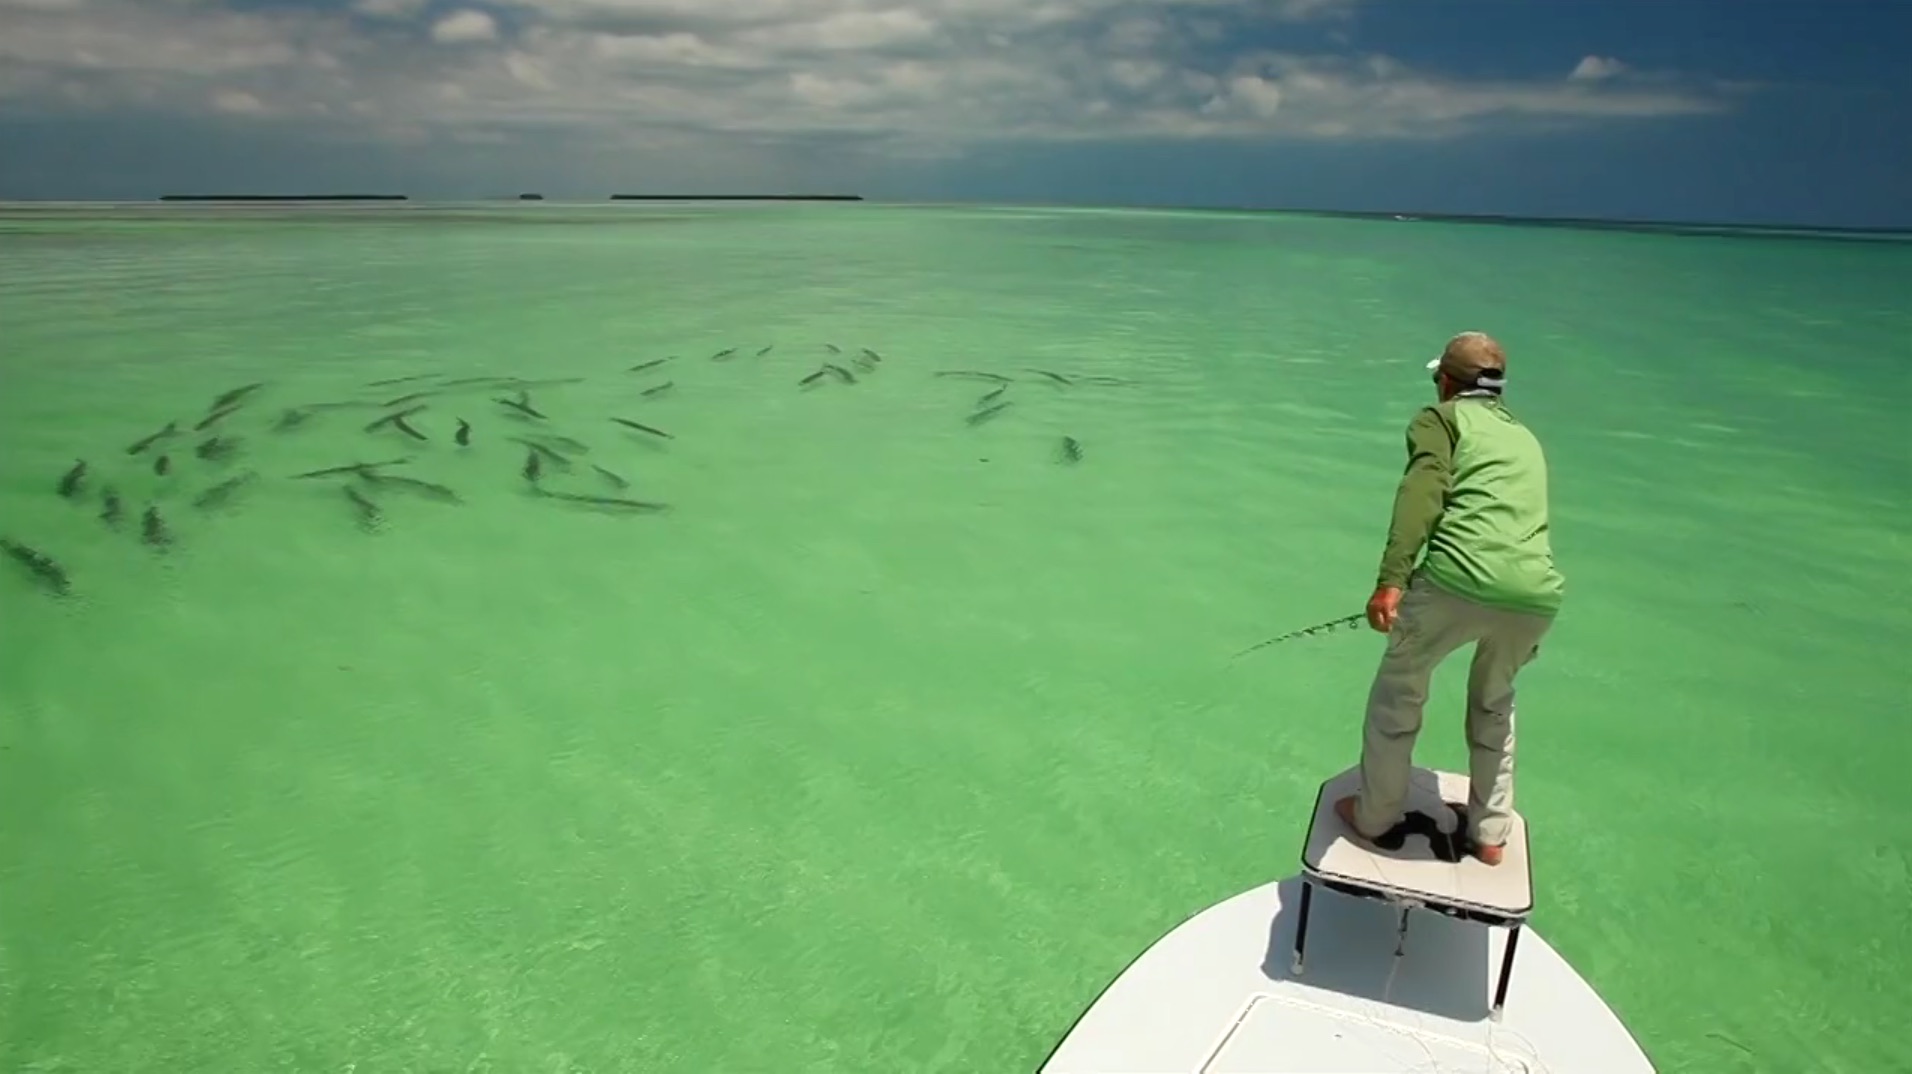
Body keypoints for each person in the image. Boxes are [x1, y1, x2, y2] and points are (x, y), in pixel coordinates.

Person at [1333, 331, 1564, 867]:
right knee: (1495, 702)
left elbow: (1423, 489)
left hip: (1455, 580)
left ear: (1445, 382)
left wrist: (1392, 578)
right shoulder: (1526, 438)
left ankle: (1375, 817)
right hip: (1536, 596)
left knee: (1400, 689)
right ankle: (1488, 834)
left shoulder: (1439, 420)